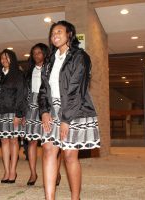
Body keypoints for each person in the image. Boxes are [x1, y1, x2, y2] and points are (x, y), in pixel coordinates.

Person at [38, 21, 100, 200]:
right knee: (49, 150)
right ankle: (49, 197)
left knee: (70, 155)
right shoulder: (49, 60)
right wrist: (44, 111)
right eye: (52, 33)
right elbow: (44, 88)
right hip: (53, 110)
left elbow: (76, 89)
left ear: (69, 35)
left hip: (75, 110)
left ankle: (75, 197)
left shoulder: (80, 56)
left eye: (59, 31)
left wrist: (66, 119)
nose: (54, 35)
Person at [24, 43, 62, 186]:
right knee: (32, 142)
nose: (36, 56)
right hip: (31, 107)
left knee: (52, 142)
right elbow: (24, 93)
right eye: (34, 53)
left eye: (39, 52)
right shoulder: (29, 71)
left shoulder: (51, 68)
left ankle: (56, 171)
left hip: (47, 106)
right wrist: (23, 113)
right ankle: (33, 173)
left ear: (45, 54)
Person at [0, 49, 26, 184]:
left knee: (13, 141)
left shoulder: (18, 74)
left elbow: (21, 95)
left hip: (13, 112)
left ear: (12, 58)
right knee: (3, 141)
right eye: (1, 58)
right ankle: (6, 170)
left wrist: (18, 114)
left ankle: (13, 170)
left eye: (6, 58)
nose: (3, 60)